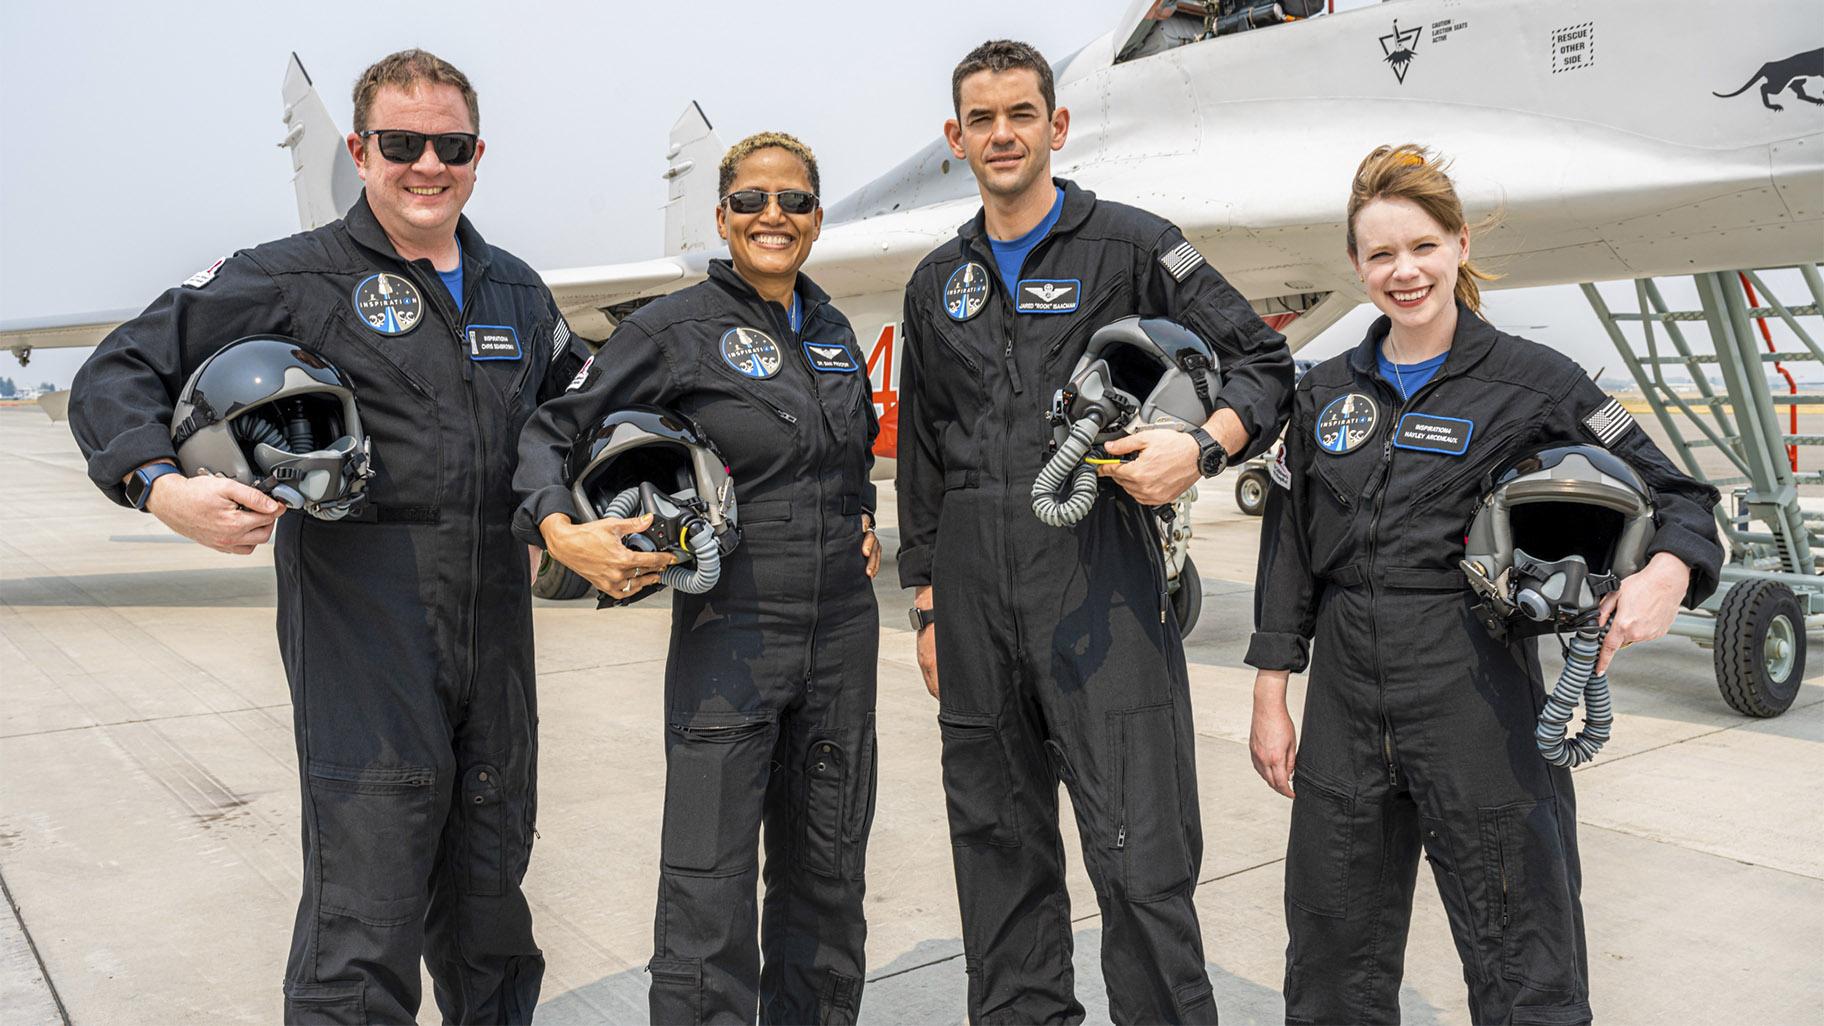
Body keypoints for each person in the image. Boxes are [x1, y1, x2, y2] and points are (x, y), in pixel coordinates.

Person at [68, 50, 588, 1024]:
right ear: (360, 150)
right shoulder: (288, 276)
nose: (427, 164)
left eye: (451, 145)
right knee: (369, 904)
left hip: (496, 620)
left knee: (491, 899)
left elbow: (581, 410)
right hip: (365, 612)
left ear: (478, 154)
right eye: (401, 144)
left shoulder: (517, 292)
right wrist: (159, 485)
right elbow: (119, 368)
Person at [1245, 144, 1724, 1025]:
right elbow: (1289, 547)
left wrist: (1669, 568)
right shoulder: (1321, 392)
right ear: (1356, 268)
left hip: (1476, 690)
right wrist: (1272, 691)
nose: (1404, 271)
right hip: (1343, 698)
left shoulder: (1534, 381)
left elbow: (1682, 494)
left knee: (1521, 952)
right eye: (1381, 254)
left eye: (1422, 246)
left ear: (1460, 245)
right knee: (1328, 955)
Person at [895, 39, 1295, 1025]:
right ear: (956, 138)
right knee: (996, 845)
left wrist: (1202, 447)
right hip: (973, 590)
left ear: (1056, 127)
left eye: (1020, 115)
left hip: (1099, 582)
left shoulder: (1130, 244)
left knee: (1139, 849)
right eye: (981, 120)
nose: (1001, 135)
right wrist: (929, 603)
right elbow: (923, 455)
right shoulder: (935, 280)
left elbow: (1264, 363)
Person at [514, 132, 881, 1026]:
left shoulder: (831, 330)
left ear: (817, 219)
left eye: (793, 202)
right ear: (721, 218)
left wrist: (860, 513)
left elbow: (844, 458)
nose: (773, 217)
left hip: (840, 633)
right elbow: (549, 432)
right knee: (708, 883)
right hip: (734, 633)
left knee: (827, 874)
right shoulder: (673, 328)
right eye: (751, 201)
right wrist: (564, 531)